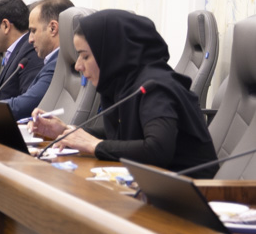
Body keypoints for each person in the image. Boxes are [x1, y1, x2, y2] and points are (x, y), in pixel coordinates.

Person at [29, 9, 218, 175]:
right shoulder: (123, 84)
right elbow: (124, 135)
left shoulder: (155, 86)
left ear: (111, 53)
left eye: (85, 56)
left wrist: (94, 145)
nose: (78, 65)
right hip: (156, 187)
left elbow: (157, 149)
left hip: (194, 192)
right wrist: (67, 131)